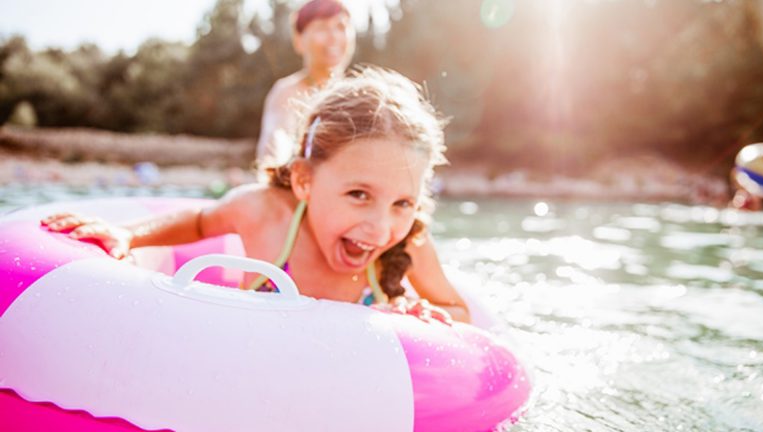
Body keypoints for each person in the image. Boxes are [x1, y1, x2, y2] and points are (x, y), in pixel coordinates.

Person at [42, 67, 470, 324]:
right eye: (359, 194)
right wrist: (128, 236)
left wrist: (422, 320)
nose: (381, 227)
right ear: (304, 181)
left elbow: (458, 309)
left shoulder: (409, 242)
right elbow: (197, 222)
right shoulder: (264, 212)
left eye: (402, 203)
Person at [256, 0, 355, 167]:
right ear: (298, 40)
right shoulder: (286, 93)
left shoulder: (361, 96)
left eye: (341, 27)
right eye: (321, 28)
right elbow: (273, 149)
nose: (333, 36)